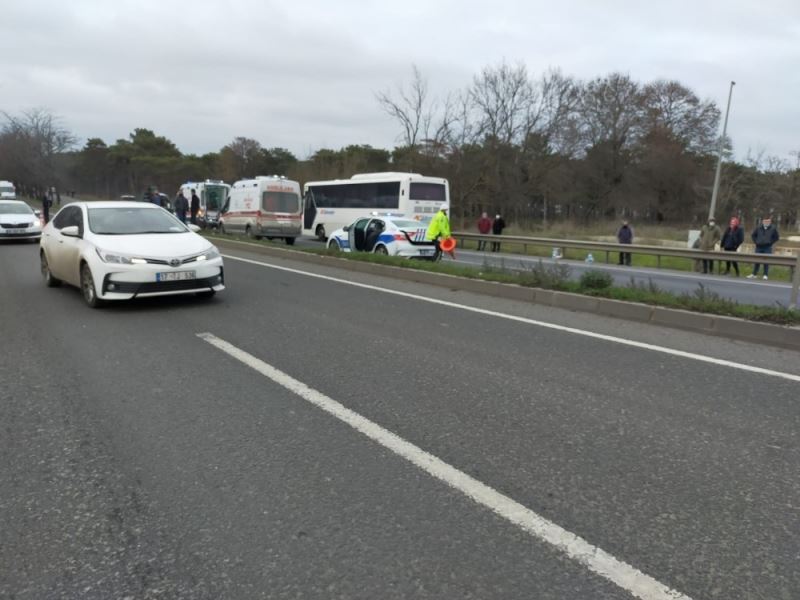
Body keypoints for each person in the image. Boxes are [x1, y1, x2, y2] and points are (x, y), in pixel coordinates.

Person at [747, 215, 780, 280]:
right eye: (765, 221)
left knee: (766, 261)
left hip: (767, 247)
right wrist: (756, 242)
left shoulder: (773, 228)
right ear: (763, 221)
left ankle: (765, 275)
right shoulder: (758, 227)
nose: (766, 222)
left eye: (768, 221)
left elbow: (776, 237)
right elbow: (753, 235)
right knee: (757, 261)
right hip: (759, 247)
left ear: (770, 222)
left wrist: (770, 242)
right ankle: (754, 274)